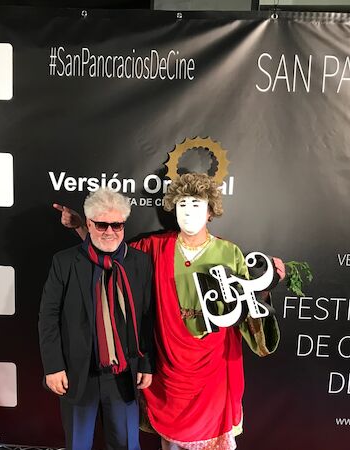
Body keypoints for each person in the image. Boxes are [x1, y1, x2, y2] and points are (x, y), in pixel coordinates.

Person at [55, 173, 283, 450]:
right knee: (171, 442)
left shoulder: (229, 252)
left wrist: (265, 285)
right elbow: (112, 255)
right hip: (169, 362)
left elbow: (247, 305)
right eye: (182, 204)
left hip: (213, 366)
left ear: (210, 211)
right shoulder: (154, 247)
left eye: (196, 205)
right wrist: (81, 227)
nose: (188, 212)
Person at [39, 188, 155, 450]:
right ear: (89, 224)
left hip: (124, 375)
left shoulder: (140, 263)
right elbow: (48, 317)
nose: (110, 232)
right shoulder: (65, 262)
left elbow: (147, 317)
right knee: (78, 445)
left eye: (117, 225)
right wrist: (53, 366)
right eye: (102, 225)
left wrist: (147, 364)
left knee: (126, 445)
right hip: (78, 374)